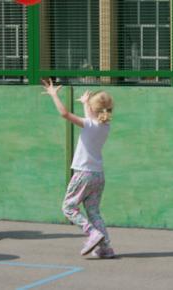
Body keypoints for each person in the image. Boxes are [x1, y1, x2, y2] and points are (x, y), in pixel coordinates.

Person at [42, 79, 115, 258]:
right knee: (93, 211)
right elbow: (91, 119)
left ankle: (92, 233)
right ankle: (105, 247)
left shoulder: (89, 124)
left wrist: (54, 95)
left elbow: (65, 113)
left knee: (68, 207)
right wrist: (85, 104)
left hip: (83, 174)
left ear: (92, 109)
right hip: (98, 175)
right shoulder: (105, 126)